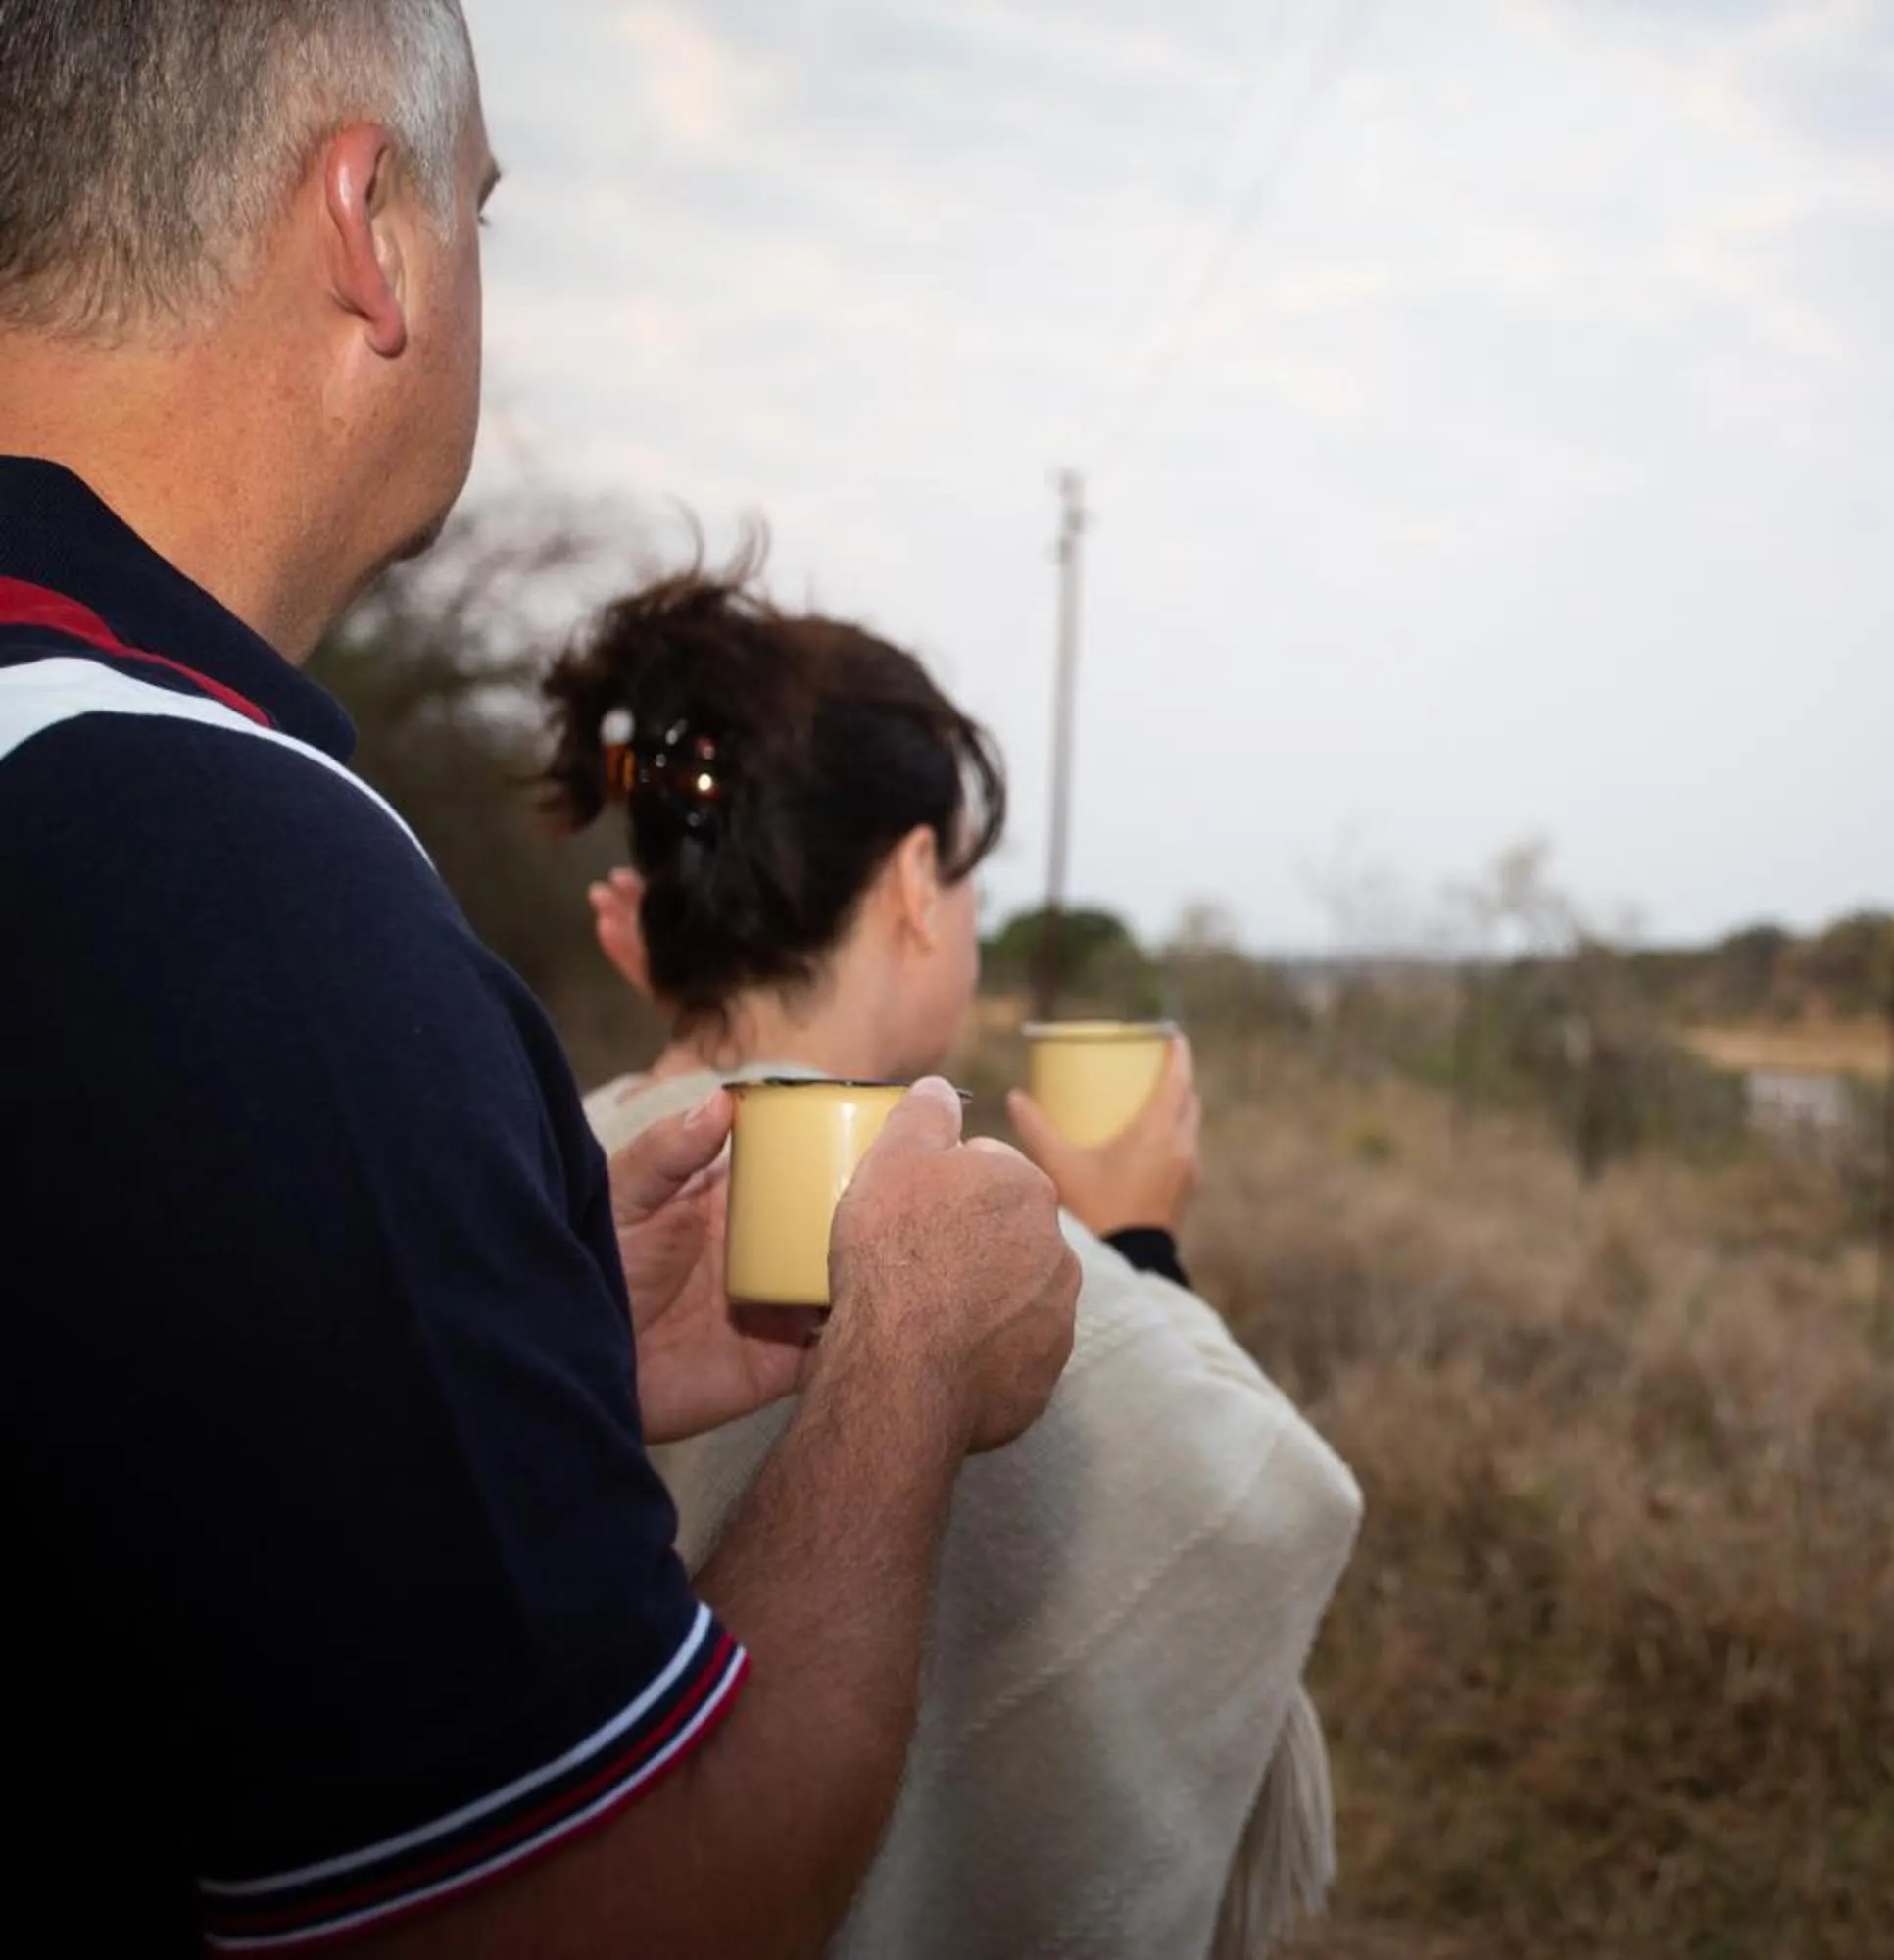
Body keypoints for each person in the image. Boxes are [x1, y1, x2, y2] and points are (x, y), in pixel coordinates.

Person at [0, 6, 1081, 1953]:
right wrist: (908, 1362)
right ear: (369, 226)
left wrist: (523, 1316)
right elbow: (593, 1918)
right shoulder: (215, 873)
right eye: (481, 205)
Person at [543, 561, 1364, 1960]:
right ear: (918, 880)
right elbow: (1268, 1506)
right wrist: (1134, 1248)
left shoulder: (551, 1168)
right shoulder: (948, 1229)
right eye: (966, 876)